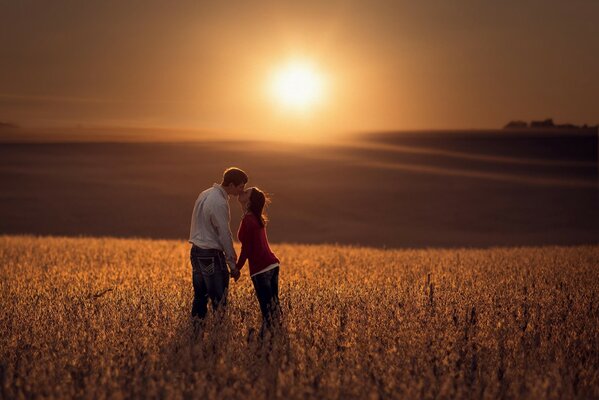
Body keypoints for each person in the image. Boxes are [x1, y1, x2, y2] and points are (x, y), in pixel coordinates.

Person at [189, 167, 247, 320]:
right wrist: (232, 265)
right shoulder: (220, 202)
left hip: (196, 252)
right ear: (232, 185)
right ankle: (219, 337)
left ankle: (195, 336)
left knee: (200, 298)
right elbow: (224, 234)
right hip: (211, 255)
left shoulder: (205, 193)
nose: (242, 190)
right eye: (241, 186)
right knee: (219, 301)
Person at [236, 187, 281, 335]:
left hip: (261, 269)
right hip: (272, 264)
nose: (242, 192)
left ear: (250, 201)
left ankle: (265, 345)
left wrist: (237, 268)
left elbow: (246, 249)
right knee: (274, 308)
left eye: (246, 192)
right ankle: (276, 340)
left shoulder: (248, 220)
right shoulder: (256, 217)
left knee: (267, 312)